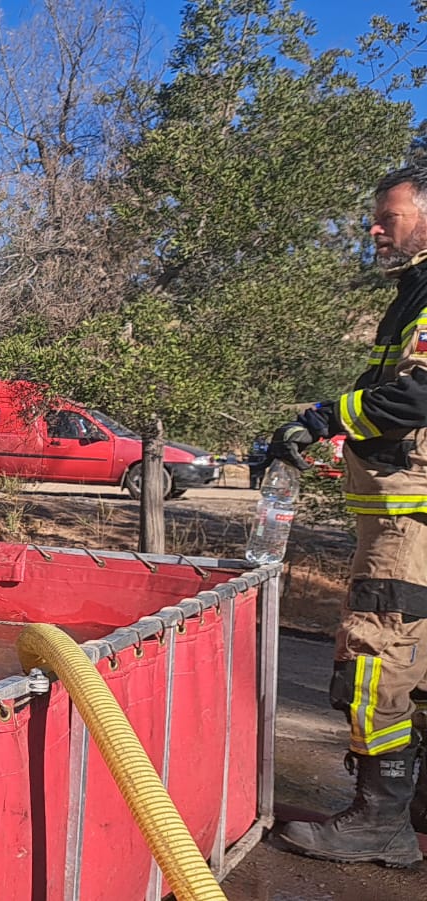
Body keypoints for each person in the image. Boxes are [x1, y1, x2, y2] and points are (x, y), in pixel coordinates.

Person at [268, 166, 427, 867]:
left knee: (376, 661)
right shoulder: (410, 295)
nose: (373, 229)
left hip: (410, 525)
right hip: (404, 515)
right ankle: (412, 813)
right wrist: (311, 423)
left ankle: (378, 821)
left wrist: (331, 418)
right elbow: (381, 391)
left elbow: (416, 400)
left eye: (386, 217)